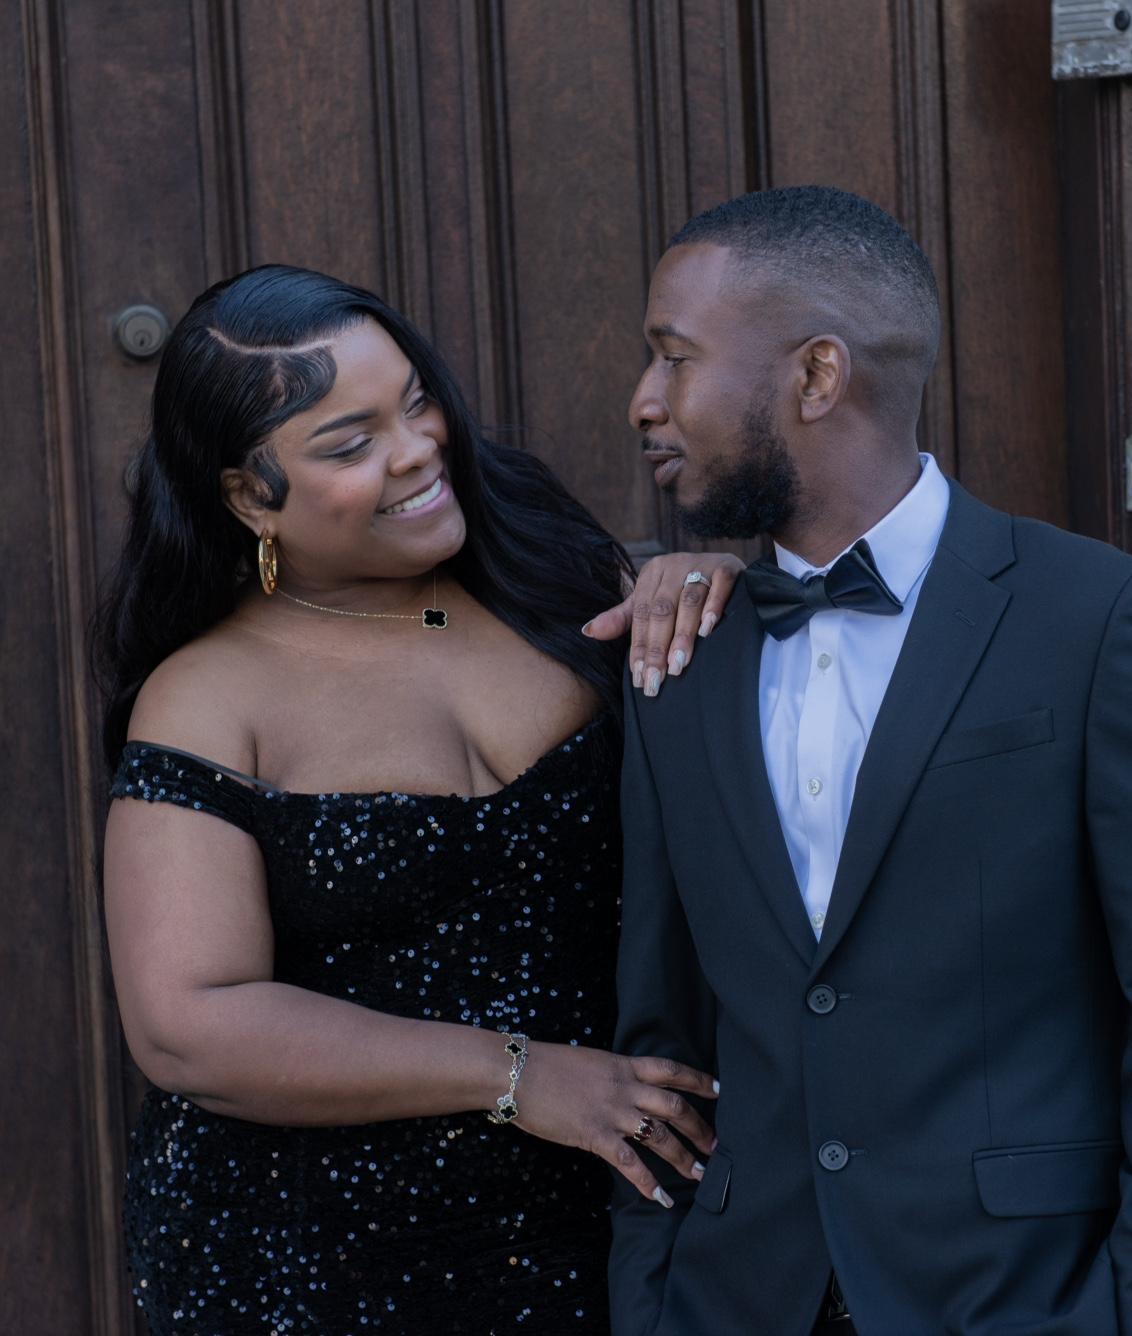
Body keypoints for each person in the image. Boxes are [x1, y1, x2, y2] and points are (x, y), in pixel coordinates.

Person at [610, 186, 1132, 1335]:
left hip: (1022, 1301)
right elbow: (660, 1033)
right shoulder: (678, 651)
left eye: (674, 358)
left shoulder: (1100, 622)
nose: (644, 400)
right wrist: (651, 1300)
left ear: (816, 376)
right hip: (732, 1300)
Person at [96, 264, 737, 1335]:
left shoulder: (548, 573)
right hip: (314, 1254)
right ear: (251, 496)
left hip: (610, 1213)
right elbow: (188, 1025)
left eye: (416, 401)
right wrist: (521, 1076)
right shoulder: (206, 698)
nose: (417, 450)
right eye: (350, 445)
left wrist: (705, 587)